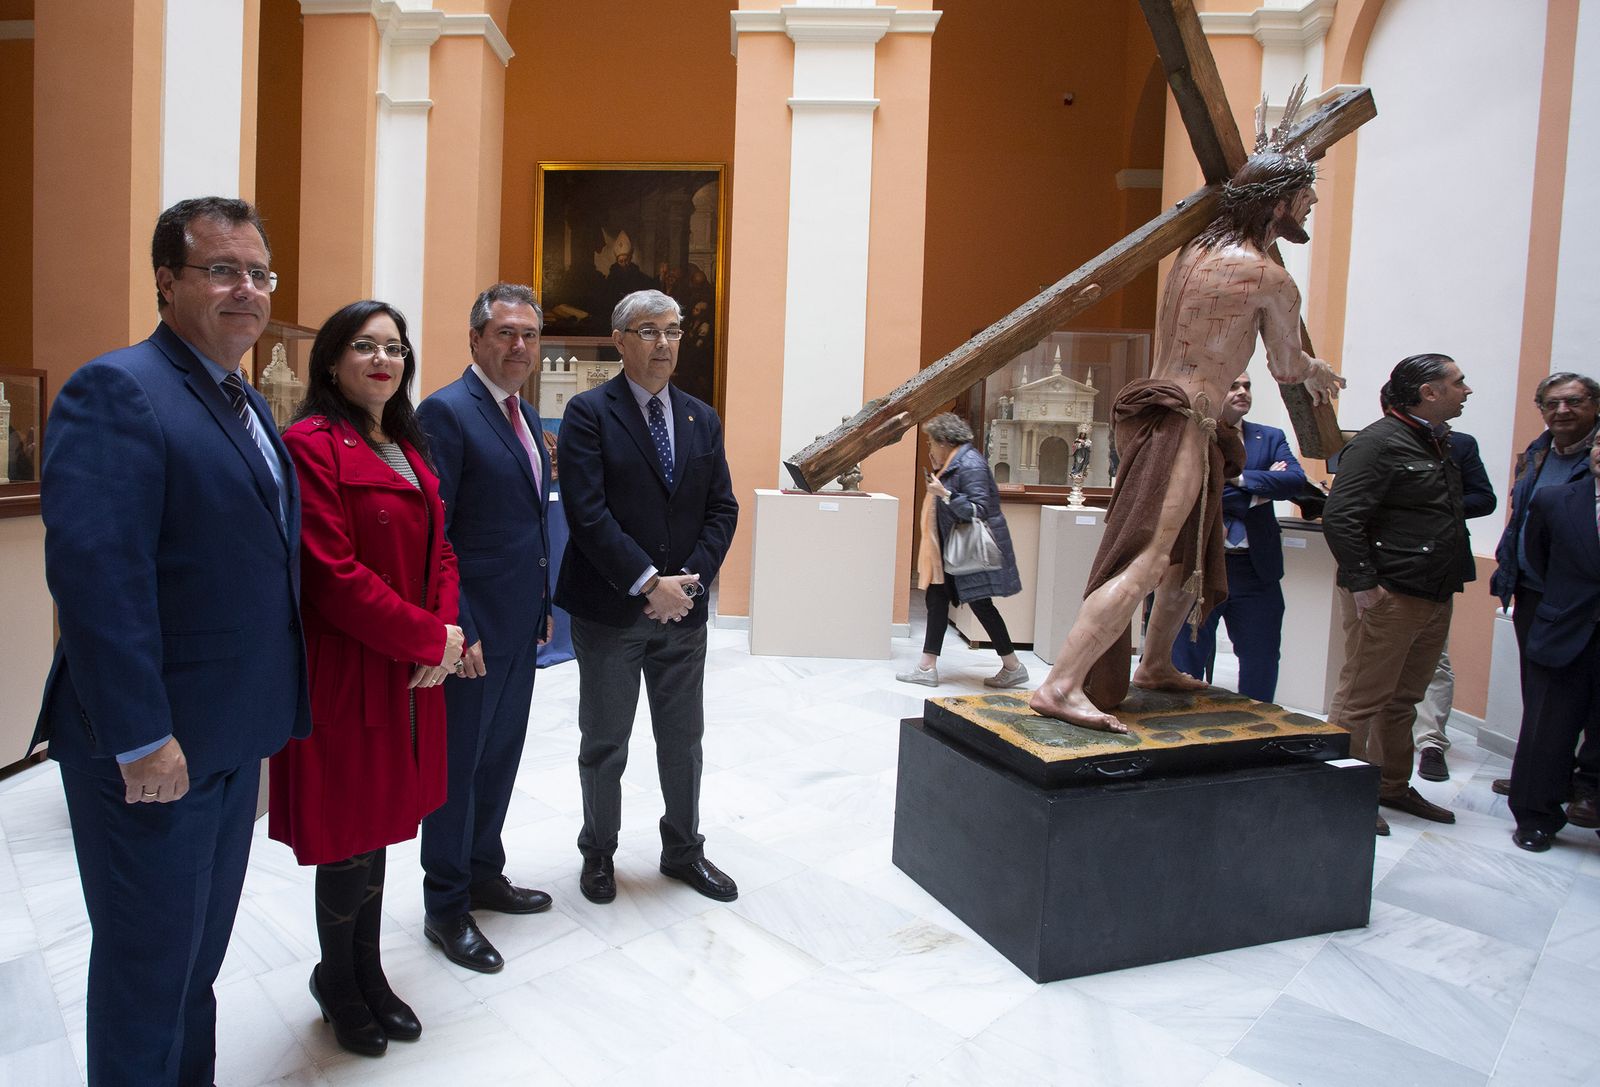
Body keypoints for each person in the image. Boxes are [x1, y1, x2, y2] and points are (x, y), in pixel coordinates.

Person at [31, 196, 310, 1085]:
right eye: (222, 270)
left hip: (224, 742)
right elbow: (98, 582)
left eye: (259, 273)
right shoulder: (119, 389)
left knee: (197, 967)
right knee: (147, 974)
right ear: (165, 280)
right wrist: (143, 736)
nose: (248, 290)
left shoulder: (247, 405)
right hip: (151, 752)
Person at [1029, 85, 1344, 731]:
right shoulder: (1269, 277)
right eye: (1306, 193)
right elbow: (1286, 366)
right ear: (1279, 202)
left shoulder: (1194, 251)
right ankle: (1060, 683)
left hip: (1169, 414)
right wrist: (1316, 370)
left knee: (1188, 554)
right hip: (1186, 420)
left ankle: (1155, 662)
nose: (1313, 202)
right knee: (1149, 557)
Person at [268, 301, 464, 1055]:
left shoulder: (405, 444)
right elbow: (331, 574)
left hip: (409, 672)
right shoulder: (310, 444)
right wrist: (425, 636)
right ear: (332, 362)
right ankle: (337, 980)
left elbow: (440, 551)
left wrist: (442, 635)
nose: (383, 360)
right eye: (364, 346)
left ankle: (370, 971)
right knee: (348, 834)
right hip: (350, 669)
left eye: (394, 347)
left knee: (382, 827)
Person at [556, 289, 740, 905]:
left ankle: (684, 849)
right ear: (621, 340)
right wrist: (646, 583)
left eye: (673, 330)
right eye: (649, 331)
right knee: (606, 741)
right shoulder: (588, 414)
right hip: (613, 611)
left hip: (681, 614)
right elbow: (588, 514)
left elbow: (722, 509)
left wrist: (686, 584)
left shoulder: (700, 418)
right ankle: (599, 854)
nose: (664, 343)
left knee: (683, 741)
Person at [416, 283, 554, 973]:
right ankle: (445, 903)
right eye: (505, 332)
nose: (519, 346)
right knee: (457, 768)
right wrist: (457, 625)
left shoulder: (523, 415)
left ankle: (482, 872)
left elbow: (527, 524)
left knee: (499, 758)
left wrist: (541, 603)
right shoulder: (447, 411)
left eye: (528, 334)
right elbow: (434, 529)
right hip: (470, 636)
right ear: (475, 339)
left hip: (518, 625)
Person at [1322, 354, 1476, 836]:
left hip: (1434, 589)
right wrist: (1365, 584)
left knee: (1404, 698)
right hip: (1391, 592)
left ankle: (1390, 785)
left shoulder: (1437, 441)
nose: (1466, 390)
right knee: (1362, 699)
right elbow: (1341, 518)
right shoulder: (1378, 442)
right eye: (1458, 383)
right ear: (1429, 392)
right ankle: (1344, 797)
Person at [1487, 372, 1600, 822]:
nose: (1562, 411)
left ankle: (1587, 789)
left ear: (1594, 405)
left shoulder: (1591, 458)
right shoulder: (1537, 453)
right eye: (1552, 403)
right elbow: (1527, 528)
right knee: (1545, 700)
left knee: (1592, 704)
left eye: (1573, 402)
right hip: (1537, 594)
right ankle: (1541, 777)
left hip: (1576, 594)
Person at [1169, 373, 1305, 703]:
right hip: (1199, 569)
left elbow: (1295, 481)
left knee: (1261, 658)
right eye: (1233, 386)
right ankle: (1181, 726)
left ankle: (1258, 729)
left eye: (1247, 386)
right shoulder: (1191, 436)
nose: (1242, 392)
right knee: (1187, 656)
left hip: (1256, 569)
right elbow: (1194, 490)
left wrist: (1239, 478)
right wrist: (1259, 491)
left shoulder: (1270, 437)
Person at [1505, 441, 1600, 851]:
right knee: (1548, 728)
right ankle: (1536, 817)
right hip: (1565, 627)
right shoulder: (1555, 500)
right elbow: (1537, 559)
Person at [897, 412, 1028, 689]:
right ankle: (927, 666)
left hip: (968, 554)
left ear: (945, 442)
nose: (930, 449)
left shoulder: (970, 464)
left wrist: (944, 494)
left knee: (981, 606)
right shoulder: (958, 461)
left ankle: (1013, 666)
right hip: (954, 552)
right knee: (938, 599)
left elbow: (977, 510)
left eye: (932, 443)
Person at [1411, 428, 1497, 782]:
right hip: (1384, 564)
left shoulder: (1460, 444)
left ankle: (1431, 742)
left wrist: (1436, 502)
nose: (1464, 393)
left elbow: (1484, 499)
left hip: (1439, 563)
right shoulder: (1379, 441)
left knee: (1435, 658)